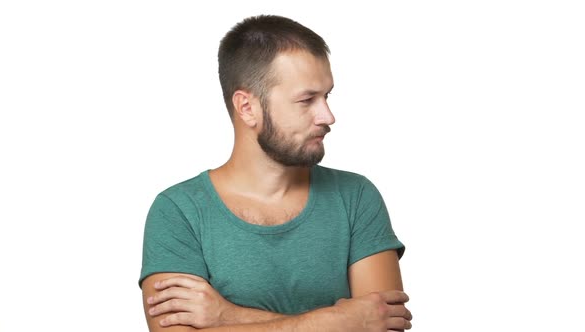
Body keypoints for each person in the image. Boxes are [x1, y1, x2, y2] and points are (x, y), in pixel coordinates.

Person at [139, 15, 412, 331]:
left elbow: (382, 325)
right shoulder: (179, 211)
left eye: (327, 96)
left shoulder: (355, 197)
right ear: (247, 108)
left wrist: (228, 317)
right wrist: (339, 321)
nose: (328, 116)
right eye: (307, 100)